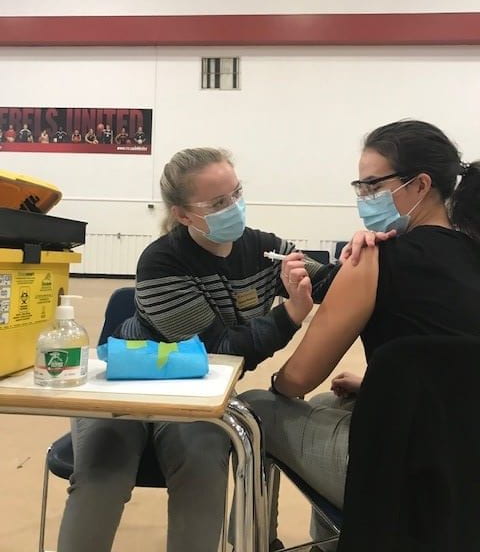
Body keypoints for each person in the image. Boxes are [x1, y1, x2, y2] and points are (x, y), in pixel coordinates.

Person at [57, 147, 349, 552]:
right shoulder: (162, 261)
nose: (234, 207)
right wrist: (290, 315)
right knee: (102, 478)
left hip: (196, 393)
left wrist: (362, 257)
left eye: (236, 193)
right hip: (126, 385)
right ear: (182, 215)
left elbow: (334, 286)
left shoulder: (265, 248)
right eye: (217, 203)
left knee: (202, 472)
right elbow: (217, 352)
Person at [241, 119, 480, 548]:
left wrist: (278, 382)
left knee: (255, 407)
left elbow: (298, 379)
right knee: (327, 402)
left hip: (406, 473)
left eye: (373, 185)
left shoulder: (373, 258)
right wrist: (380, 383)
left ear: (420, 184)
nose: (364, 197)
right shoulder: (471, 254)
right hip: (466, 466)